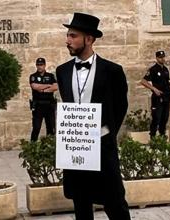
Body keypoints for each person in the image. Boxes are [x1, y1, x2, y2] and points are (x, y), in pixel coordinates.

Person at [56, 12, 131, 220]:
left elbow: (120, 107)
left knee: (115, 203)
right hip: (75, 153)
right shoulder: (61, 71)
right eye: (68, 35)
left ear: (89, 39)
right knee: (81, 205)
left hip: (102, 149)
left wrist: (102, 134)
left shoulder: (113, 71)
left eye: (73, 36)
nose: (67, 41)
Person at [141, 50, 170, 138]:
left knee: (165, 118)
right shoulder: (153, 69)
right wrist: (154, 89)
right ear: (157, 58)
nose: (162, 59)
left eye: (163, 57)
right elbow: (143, 81)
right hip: (157, 98)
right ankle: (153, 137)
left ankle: (162, 136)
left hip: (166, 97)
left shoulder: (165, 69)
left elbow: (168, 80)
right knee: (156, 118)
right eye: (160, 57)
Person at [29, 57, 58, 141]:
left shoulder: (50, 76)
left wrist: (42, 90)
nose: (39, 66)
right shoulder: (33, 76)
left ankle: (49, 148)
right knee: (36, 128)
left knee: (51, 129)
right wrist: (49, 85)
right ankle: (32, 148)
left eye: (41, 65)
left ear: (45, 65)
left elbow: (55, 87)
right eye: (38, 65)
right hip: (38, 106)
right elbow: (34, 86)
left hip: (49, 106)